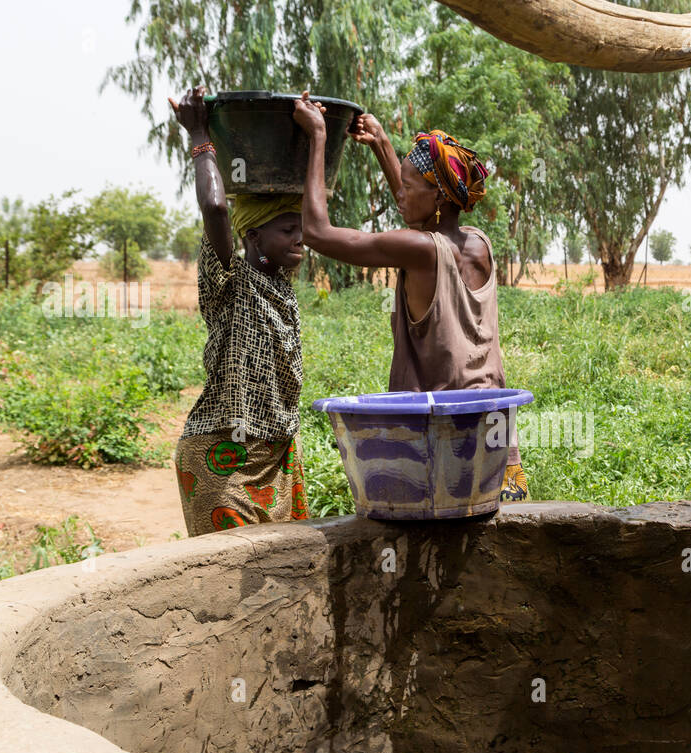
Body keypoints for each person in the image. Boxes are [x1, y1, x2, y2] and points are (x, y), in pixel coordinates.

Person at [291, 92, 529, 501]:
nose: (400, 194)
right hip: (496, 441)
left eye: (410, 186)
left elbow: (316, 233)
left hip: (445, 443)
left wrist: (317, 137)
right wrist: (383, 144)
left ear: (438, 197)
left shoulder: (421, 251)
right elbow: (417, 209)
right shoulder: (479, 245)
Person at [167, 86, 311, 536]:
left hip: (279, 461)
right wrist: (198, 133)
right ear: (251, 237)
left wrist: (314, 133)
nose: (300, 240)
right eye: (288, 229)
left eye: (300, 230)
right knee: (228, 584)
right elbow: (214, 205)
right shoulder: (230, 283)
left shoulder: (281, 291)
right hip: (221, 460)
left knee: (286, 582)